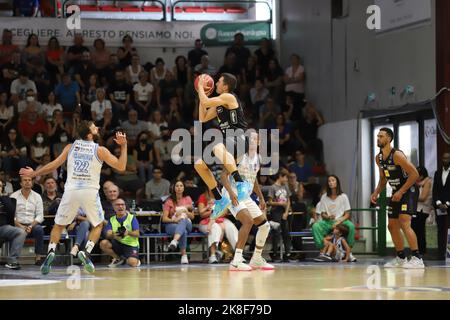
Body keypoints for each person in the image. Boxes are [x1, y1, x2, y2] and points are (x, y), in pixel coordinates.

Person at [19, 121, 128, 275]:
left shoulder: (70, 147)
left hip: (71, 191)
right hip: (90, 191)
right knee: (98, 225)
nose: (97, 127)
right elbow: (121, 167)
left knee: (58, 225)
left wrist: (34, 174)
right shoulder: (100, 150)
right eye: (93, 126)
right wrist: (123, 146)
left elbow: (53, 165)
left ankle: (50, 252)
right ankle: (86, 252)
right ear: (89, 133)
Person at [194, 73, 252, 218]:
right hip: (229, 144)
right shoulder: (220, 103)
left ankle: (240, 183)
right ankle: (219, 198)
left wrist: (201, 88)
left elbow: (207, 102)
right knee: (199, 164)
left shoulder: (229, 97)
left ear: (225, 86)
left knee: (217, 146)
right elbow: (203, 117)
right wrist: (202, 94)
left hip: (240, 139)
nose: (216, 83)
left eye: (219, 82)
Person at [219, 131, 274, 271]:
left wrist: (261, 197)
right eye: (249, 138)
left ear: (259, 142)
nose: (252, 140)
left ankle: (256, 259)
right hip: (232, 193)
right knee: (248, 221)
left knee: (264, 226)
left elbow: (253, 178)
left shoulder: (258, 158)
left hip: (246, 196)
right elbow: (223, 175)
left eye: (255, 138)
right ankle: (236, 261)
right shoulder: (238, 155)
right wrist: (230, 193)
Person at [371, 127, 424, 269]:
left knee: (404, 222)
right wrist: (376, 192)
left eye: (381, 136)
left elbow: (414, 174)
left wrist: (401, 191)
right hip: (396, 191)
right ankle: (401, 257)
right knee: (391, 225)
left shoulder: (397, 155)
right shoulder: (379, 158)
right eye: (377, 136)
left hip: (408, 190)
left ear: (389, 138)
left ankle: (417, 258)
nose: (378, 139)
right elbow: (383, 179)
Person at [312, 175, 357, 262]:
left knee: (351, 226)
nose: (331, 183)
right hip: (328, 221)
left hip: (341, 220)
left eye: (333, 180)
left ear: (337, 183)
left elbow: (347, 214)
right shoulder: (324, 197)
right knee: (315, 226)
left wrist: (340, 220)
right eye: (329, 181)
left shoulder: (343, 196)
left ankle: (349, 252)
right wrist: (328, 217)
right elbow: (322, 213)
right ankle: (322, 252)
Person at [10, 176, 45, 265]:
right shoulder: (13, 196)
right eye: (25, 180)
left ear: (32, 183)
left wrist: (30, 226)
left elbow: (40, 216)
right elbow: (11, 215)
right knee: (17, 231)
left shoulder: (37, 196)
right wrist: (21, 226)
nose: (27, 182)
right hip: (18, 224)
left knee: (39, 229)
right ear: (21, 183)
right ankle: (14, 259)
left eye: (29, 180)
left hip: (32, 225)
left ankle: (38, 257)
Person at [197, 189, 238, 264]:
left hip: (220, 218)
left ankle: (238, 254)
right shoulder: (203, 196)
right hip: (206, 220)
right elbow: (202, 214)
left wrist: (215, 214)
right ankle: (212, 255)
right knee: (215, 227)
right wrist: (214, 212)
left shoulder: (222, 196)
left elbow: (225, 212)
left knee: (230, 227)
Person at [100, 198, 141, 268]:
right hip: (118, 243)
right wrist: (113, 235)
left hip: (130, 245)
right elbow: (108, 234)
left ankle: (131, 260)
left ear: (125, 207)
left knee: (132, 263)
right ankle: (118, 259)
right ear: (114, 208)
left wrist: (128, 233)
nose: (120, 206)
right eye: (117, 205)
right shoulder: (111, 219)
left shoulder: (132, 218)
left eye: (122, 205)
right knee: (103, 243)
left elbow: (137, 234)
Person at [163, 180, 195, 264]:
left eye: (181, 186)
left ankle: (174, 241)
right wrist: (174, 220)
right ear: (174, 188)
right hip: (172, 224)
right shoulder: (169, 201)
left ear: (184, 188)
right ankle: (184, 255)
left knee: (183, 219)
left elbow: (192, 216)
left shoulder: (188, 199)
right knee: (182, 231)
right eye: (177, 186)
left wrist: (185, 212)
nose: (179, 188)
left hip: (187, 223)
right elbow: (164, 219)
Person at [432, 152, 450, 260]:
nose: (445, 160)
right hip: (439, 207)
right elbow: (435, 190)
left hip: (448, 204)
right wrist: (439, 203)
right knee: (440, 230)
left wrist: (447, 204)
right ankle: (440, 254)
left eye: (447, 158)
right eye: (444, 158)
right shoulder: (437, 173)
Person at [0, 195, 26, 270]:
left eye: (1, 186)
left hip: (3, 227)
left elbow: (11, 211)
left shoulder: (4, 199)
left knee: (20, 232)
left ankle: (12, 260)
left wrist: (3, 198)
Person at [412, 166, 433, 255]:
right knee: (415, 230)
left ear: (421, 176)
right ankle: (417, 251)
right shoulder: (418, 183)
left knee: (419, 231)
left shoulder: (427, 182)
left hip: (422, 210)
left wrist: (411, 196)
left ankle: (421, 251)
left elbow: (423, 197)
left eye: (416, 175)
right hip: (416, 209)